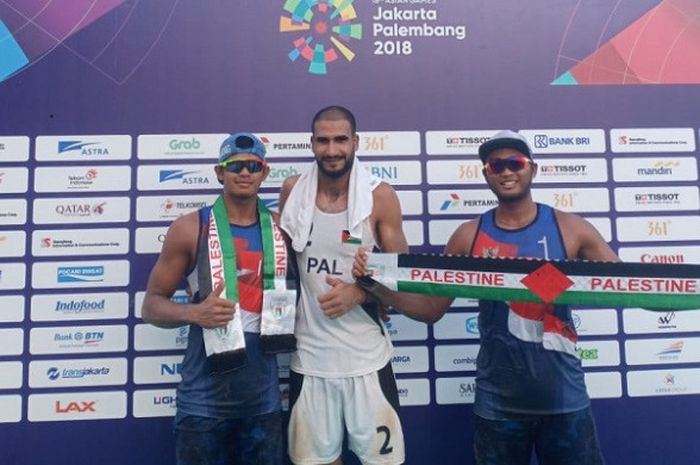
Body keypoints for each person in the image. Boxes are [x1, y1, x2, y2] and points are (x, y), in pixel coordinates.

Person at [354, 130, 615, 465]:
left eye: (515, 163)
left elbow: (627, 281)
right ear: (486, 174)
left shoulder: (571, 228)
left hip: (565, 400)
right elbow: (432, 309)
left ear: (532, 169)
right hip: (499, 406)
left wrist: (678, 290)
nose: (506, 171)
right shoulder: (467, 236)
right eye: (496, 165)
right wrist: (375, 286)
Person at [279, 105, 426, 465]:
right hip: (308, 360)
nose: (332, 150)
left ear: (356, 142)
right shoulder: (292, 191)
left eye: (341, 140)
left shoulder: (380, 196)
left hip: (366, 362)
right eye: (324, 141)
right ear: (311, 143)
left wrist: (362, 291)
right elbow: (283, 270)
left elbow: (402, 280)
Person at [142, 132, 296, 465]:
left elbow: (312, 288)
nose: (244, 172)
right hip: (202, 407)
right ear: (219, 172)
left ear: (264, 173)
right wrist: (193, 313)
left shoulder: (282, 229)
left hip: (263, 404)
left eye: (253, 166)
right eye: (235, 165)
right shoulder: (189, 228)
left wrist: (370, 299)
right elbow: (151, 305)